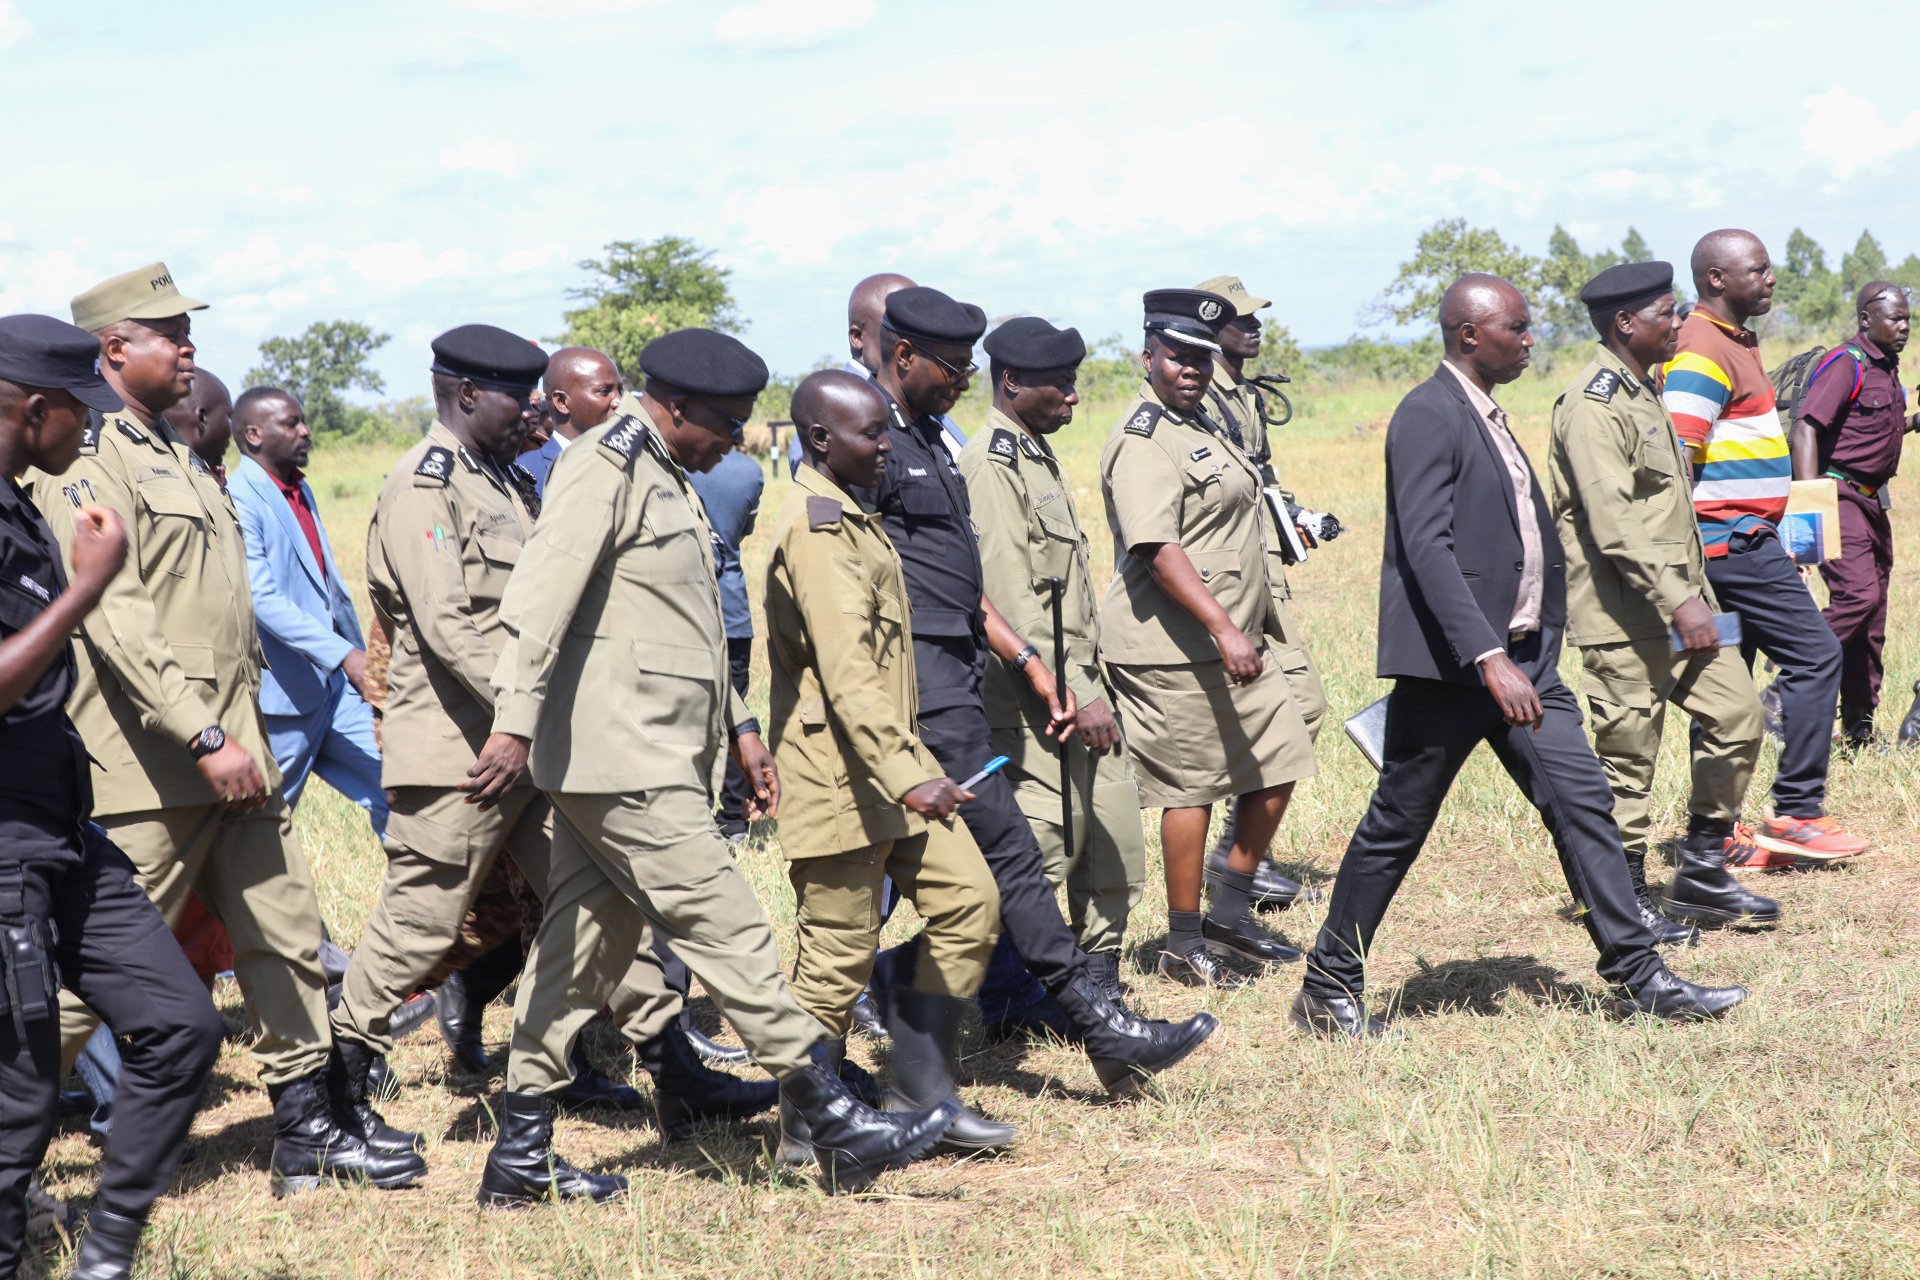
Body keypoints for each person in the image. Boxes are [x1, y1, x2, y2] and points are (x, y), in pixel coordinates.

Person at [467, 327, 956, 1200]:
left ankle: (518, 1159)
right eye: (727, 422)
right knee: (726, 925)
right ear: (678, 407)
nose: (738, 439)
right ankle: (833, 1117)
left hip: (647, 745)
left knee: (580, 948)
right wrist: (512, 720)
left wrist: (739, 725)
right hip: (618, 752)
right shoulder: (603, 464)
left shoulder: (668, 473)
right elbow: (541, 594)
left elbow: (682, 622)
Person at [332, 324, 771, 1163]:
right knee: (420, 921)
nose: (533, 410)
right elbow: (452, 629)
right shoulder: (424, 486)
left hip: (529, 746)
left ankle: (679, 1074)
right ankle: (335, 1094)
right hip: (463, 752)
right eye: (515, 396)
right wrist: (526, 711)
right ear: (466, 395)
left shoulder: (499, 480)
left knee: (600, 918)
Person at [36, 263, 423, 1196]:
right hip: (152, 762)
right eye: (170, 331)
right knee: (89, 986)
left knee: (285, 937)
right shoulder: (90, 460)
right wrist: (203, 735)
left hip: (236, 752)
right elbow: (117, 618)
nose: (189, 346)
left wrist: (231, 736)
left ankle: (308, 1131)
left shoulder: (176, 454)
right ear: (114, 347)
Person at [1291, 273, 1748, 1041]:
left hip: (1526, 662)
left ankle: (1640, 977)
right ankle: (1328, 984)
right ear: (1470, 334)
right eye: (1518, 328)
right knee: (1398, 824)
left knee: (1583, 803)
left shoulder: (1492, 414)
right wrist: (1486, 656)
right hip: (1457, 670)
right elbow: (1427, 550)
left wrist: (1525, 649)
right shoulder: (1427, 414)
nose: (1531, 339)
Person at [848, 284, 1217, 1086]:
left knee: (997, 876)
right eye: (953, 365)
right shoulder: (876, 448)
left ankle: (1043, 1039)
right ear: (902, 355)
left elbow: (963, 585)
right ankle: (834, 1071)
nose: (963, 378)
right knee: (974, 879)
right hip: (928, 697)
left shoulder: (929, 445)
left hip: (961, 684)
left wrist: (1029, 661)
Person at [0, 313, 224, 1280]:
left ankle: (106, 1255)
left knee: (181, 1024)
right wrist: (87, 589)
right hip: (4, 845)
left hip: (62, 825)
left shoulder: (20, 504)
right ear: (35, 409)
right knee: (15, 1104)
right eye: (78, 415)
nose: (90, 433)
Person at [766, 369, 1008, 1158]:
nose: (886, 448)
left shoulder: (857, 516)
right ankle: (808, 1127)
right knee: (836, 959)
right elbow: (848, 674)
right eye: (871, 435)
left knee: (969, 900)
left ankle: (920, 1091)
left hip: (893, 767)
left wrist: (908, 769)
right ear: (821, 440)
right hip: (841, 774)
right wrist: (911, 775)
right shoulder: (820, 529)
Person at [1545, 262, 1779, 936]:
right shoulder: (1592, 405)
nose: (1680, 324)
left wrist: (1691, 599)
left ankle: (1702, 871)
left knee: (1739, 715)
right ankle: (1626, 899)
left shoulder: (1646, 390)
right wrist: (1681, 602)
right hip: (1625, 613)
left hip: (1685, 604)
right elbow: (1613, 523)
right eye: (1668, 314)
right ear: (1625, 323)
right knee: (1628, 761)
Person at [1098, 289, 1315, 988]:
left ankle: (1229, 909)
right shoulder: (1142, 439)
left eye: (1201, 356)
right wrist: (1223, 627)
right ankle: (1182, 940)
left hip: (1236, 635)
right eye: (1176, 356)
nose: (1190, 367)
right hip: (1172, 647)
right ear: (1149, 357)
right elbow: (1159, 548)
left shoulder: (1201, 423)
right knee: (1189, 790)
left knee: (1280, 759)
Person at [957, 316, 1145, 1003]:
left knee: (1111, 832)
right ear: (1010, 383)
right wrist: (1071, 692)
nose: (1072, 396)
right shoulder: (990, 464)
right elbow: (1010, 600)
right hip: (1038, 701)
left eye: (1074, 381)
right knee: (1041, 849)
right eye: (1059, 384)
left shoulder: (1034, 453)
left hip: (1080, 685)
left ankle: (1098, 985)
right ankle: (974, 992)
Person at [1662, 231, 1865, 865]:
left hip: (1743, 539)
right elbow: (1676, 456)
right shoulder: (1700, 347)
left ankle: (1716, 836)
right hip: (1731, 546)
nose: (1772, 278)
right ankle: (1799, 812)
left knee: (1728, 689)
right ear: (1717, 279)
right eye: (1759, 269)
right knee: (1815, 656)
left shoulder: (1732, 342)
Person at [1195, 274, 1329, 912]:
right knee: (1276, 710)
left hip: (1264, 574)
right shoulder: (1194, 395)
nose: (1254, 327)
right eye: (1239, 319)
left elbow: (1258, 480)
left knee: (1300, 706)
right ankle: (1236, 858)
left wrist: (1297, 516)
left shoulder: (1242, 396)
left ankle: (1241, 851)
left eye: (1255, 317)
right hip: (1224, 587)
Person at [228, 387, 386, 832]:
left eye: (303, 420)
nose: (306, 430)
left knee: (399, 791)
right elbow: (262, 600)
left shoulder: (300, 488)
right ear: (254, 435)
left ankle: (417, 898)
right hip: (284, 698)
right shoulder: (239, 497)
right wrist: (344, 654)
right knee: (261, 826)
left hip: (335, 690)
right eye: (292, 423)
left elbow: (325, 587)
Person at [1790, 281, 1915, 749]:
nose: (1903, 326)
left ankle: (1859, 729)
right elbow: (1805, 430)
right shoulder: (1847, 363)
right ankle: (1786, 692)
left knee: (1874, 613)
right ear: (1866, 319)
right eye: (1894, 318)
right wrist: (1809, 509)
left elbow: (1871, 427)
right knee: (1856, 596)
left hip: (1871, 501)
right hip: (1837, 495)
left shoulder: (1886, 367)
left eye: (1907, 319)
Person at [786, 273, 966, 477]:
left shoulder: (925, 408)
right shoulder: (834, 413)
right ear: (857, 337)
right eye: (898, 326)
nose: (914, 339)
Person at [687, 443, 765, 842]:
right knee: (738, 717)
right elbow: (742, 531)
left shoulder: (675, 463)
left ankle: (694, 812)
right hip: (732, 610)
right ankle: (734, 818)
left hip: (687, 610)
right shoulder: (750, 472)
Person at [518, 346, 621, 497]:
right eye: (605, 391)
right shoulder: (529, 471)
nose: (618, 400)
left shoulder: (627, 462)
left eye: (620, 390)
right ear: (562, 402)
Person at [159, 367, 231, 487]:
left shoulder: (211, 478)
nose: (231, 428)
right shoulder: (173, 484)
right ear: (202, 418)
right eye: (228, 416)